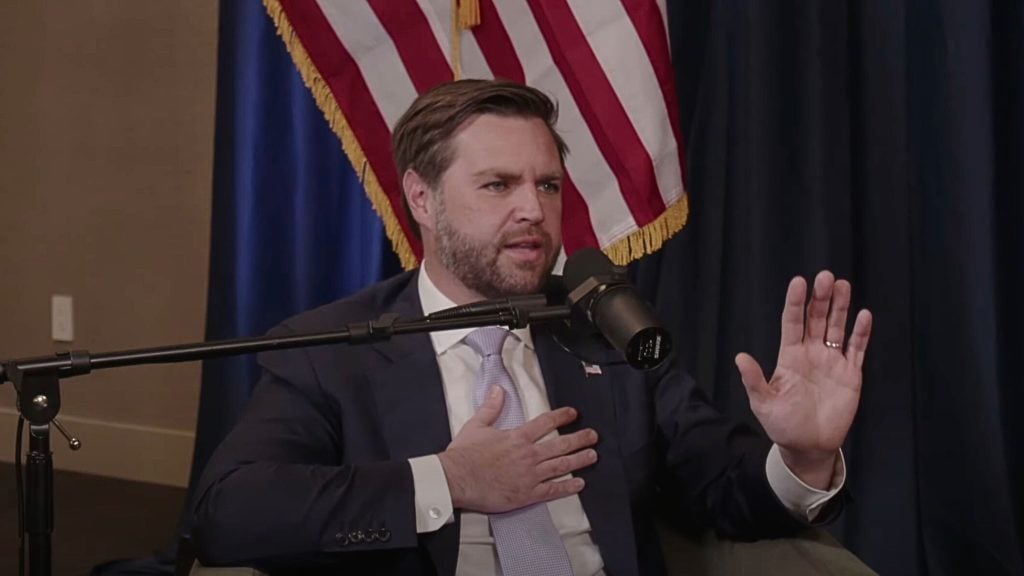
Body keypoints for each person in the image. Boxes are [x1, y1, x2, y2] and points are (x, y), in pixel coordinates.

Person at [192, 79, 873, 576]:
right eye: (498, 185)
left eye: (547, 186)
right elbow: (227, 512)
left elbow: (719, 487)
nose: (534, 210)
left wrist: (803, 458)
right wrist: (446, 481)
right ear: (422, 199)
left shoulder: (603, 329)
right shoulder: (332, 349)